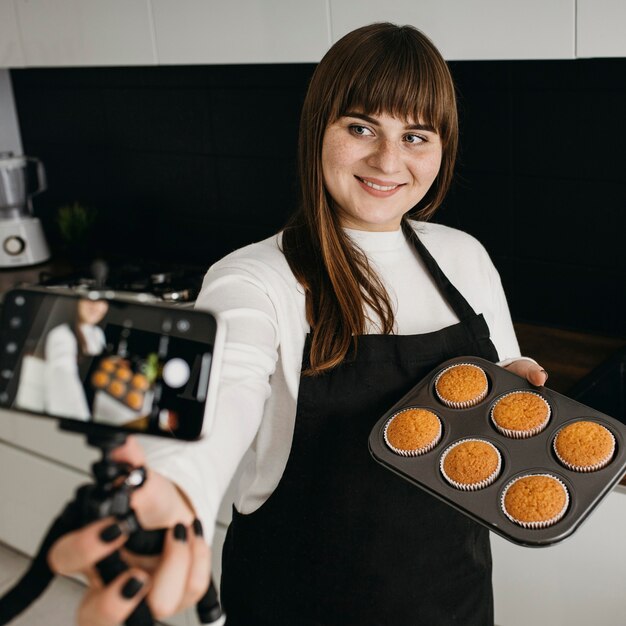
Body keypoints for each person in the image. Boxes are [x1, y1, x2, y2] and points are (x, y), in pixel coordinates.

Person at [48, 23, 548, 625]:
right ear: (319, 130)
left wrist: (509, 395)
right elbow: (219, 398)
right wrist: (177, 490)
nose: (388, 161)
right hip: (299, 603)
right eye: (361, 127)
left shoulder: (464, 257)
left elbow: (486, 431)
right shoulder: (253, 279)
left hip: (453, 597)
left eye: (415, 136)